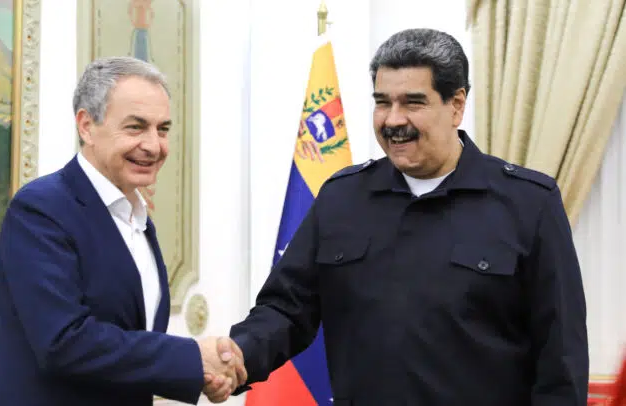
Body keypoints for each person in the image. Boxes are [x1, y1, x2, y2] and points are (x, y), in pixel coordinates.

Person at [222, 28, 589, 405]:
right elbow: (286, 309)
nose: (393, 120)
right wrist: (236, 356)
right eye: (383, 103)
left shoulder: (529, 203)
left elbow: (561, 361)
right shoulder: (341, 198)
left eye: (413, 103)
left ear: (456, 105)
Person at [0, 56, 246, 406]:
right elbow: (64, 342)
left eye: (162, 129)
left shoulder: (136, 217)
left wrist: (203, 373)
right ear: (86, 126)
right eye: (136, 127)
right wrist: (192, 360)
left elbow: (130, 347)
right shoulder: (41, 209)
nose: (154, 145)